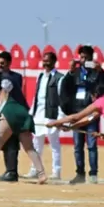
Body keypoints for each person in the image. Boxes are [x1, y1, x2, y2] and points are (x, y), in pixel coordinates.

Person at [0, 63, 46, 184]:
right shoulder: (8, 80)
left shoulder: (0, 85)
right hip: (23, 113)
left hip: (9, 113)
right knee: (29, 148)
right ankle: (42, 174)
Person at [59, 45, 104, 184]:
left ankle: (93, 174)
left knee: (92, 145)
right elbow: (65, 87)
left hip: (91, 112)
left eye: (87, 57)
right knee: (77, 146)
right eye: (82, 57)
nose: (84, 59)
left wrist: (101, 71)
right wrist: (70, 72)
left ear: (91, 57)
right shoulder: (75, 72)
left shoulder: (96, 72)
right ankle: (80, 173)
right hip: (77, 112)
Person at [28, 51, 63, 180]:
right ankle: (35, 169)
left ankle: (56, 171)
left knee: (54, 144)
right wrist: (31, 113)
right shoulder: (40, 76)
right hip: (39, 114)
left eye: (48, 60)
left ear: (54, 62)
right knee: (36, 143)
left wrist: (60, 118)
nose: (45, 63)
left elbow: (60, 99)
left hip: (52, 115)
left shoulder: (60, 77)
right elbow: (36, 96)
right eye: (44, 60)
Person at [0, 51, 27, 182]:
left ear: (9, 63)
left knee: (12, 143)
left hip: (12, 114)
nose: (0, 65)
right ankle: (9, 170)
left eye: (2, 63)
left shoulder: (15, 77)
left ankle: (12, 172)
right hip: (0, 113)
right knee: (4, 144)